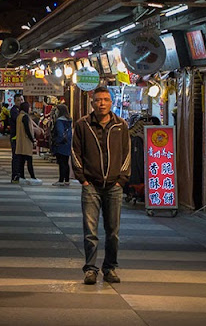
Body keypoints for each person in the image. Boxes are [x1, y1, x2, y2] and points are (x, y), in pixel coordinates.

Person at [72, 86, 130, 285]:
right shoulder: (82, 125)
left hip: (114, 186)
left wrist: (121, 179)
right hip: (91, 186)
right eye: (98, 100)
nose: (102, 103)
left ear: (111, 102)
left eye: (105, 99)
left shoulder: (121, 125)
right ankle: (90, 269)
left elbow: (127, 154)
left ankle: (110, 268)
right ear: (92, 103)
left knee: (113, 231)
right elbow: (75, 153)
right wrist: (83, 179)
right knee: (90, 231)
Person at [15, 102, 42, 185]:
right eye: (29, 107)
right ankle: (33, 177)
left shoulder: (19, 116)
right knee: (29, 160)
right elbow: (28, 130)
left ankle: (22, 177)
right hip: (26, 141)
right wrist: (33, 139)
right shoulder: (25, 117)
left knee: (22, 161)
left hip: (20, 141)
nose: (30, 109)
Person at [51, 104, 73, 186]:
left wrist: (57, 141)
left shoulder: (59, 121)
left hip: (60, 144)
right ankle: (66, 180)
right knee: (66, 162)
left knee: (61, 163)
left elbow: (60, 132)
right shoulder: (69, 120)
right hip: (67, 143)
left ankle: (60, 180)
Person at [9, 94, 24, 183]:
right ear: (14, 101)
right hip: (15, 137)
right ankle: (15, 175)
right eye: (18, 100)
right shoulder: (14, 111)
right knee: (16, 157)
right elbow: (20, 121)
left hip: (20, 137)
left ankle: (19, 175)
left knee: (20, 157)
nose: (20, 101)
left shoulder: (21, 111)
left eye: (22, 99)